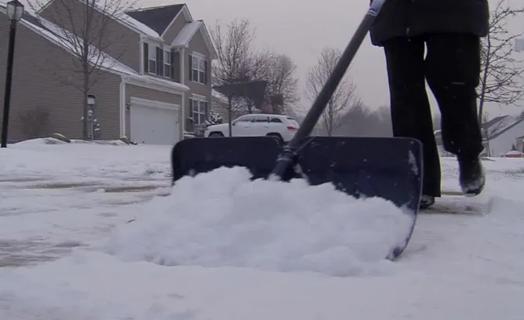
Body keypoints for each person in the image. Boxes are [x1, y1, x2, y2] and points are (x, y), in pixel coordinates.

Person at [370, 0, 489, 209]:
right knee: (405, 93)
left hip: (454, 11)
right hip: (396, 12)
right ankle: (418, 175)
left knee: (454, 80)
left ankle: (467, 152)